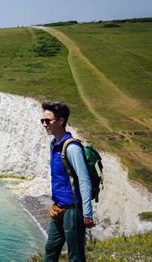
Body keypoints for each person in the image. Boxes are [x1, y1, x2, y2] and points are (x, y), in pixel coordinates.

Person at [41, 101, 94, 262]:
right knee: (50, 250)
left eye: (47, 121)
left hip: (72, 209)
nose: (44, 125)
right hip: (58, 207)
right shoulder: (54, 144)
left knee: (75, 255)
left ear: (61, 120)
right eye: (42, 121)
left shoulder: (71, 148)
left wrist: (87, 213)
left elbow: (84, 180)